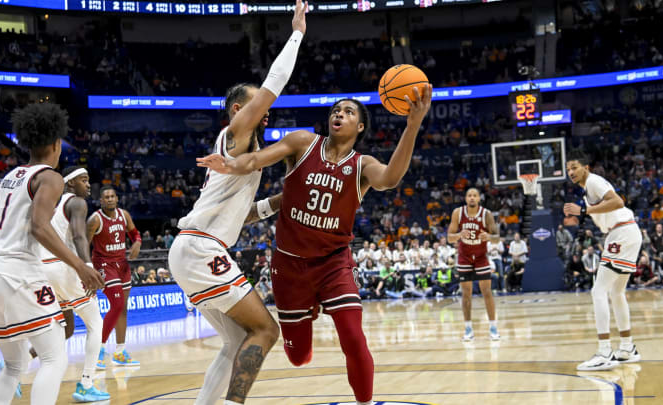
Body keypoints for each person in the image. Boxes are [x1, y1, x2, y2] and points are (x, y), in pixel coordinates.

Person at [198, 79, 433, 404]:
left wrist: (413, 126)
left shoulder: (362, 165)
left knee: (353, 336)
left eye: (348, 111)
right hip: (289, 267)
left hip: (333, 264)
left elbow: (391, 178)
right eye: (336, 109)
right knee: (298, 355)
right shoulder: (303, 142)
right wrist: (230, 164)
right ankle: (307, 312)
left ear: (359, 125)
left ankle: (365, 402)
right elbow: (255, 160)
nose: (340, 113)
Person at [169, 3, 306, 403]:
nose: (265, 111)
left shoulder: (240, 156)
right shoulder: (236, 132)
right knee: (265, 330)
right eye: (255, 105)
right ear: (237, 110)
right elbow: (274, 83)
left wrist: (278, 202)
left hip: (192, 247)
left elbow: (239, 214)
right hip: (199, 249)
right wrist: (296, 33)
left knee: (235, 342)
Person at [0, 103, 103, 405]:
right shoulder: (51, 177)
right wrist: (81, 266)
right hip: (19, 272)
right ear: (57, 144)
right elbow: (39, 228)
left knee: (15, 365)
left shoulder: (11, 177)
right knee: (54, 355)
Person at [35, 166, 110, 402]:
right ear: (70, 184)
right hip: (63, 267)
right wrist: (87, 267)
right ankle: (86, 383)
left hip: (44, 268)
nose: (88, 185)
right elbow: (79, 236)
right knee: (95, 324)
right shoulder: (77, 203)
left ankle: (17, 364)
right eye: (84, 180)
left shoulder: (52, 206)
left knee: (65, 328)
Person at [564, 152, 641, 371]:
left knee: (598, 291)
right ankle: (626, 347)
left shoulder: (594, 182)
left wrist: (585, 210)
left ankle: (604, 351)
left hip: (622, 233)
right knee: (616, 293)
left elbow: (618, 201)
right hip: (626, 232)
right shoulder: (591, 185)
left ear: (585, 167)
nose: (571, 172)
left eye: (575, 167)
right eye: (569, 168)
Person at [87, 185, 142, 368]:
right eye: (106, 197)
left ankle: (120, 351)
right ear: (101, 201)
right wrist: (87, 270)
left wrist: (137, 243)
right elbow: (83, 246)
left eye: (112, 196)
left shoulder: (124, 215)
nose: (110, 199)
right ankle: (99, 350)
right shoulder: (95, 220)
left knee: (123, 308)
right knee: (117, 304)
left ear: (117, 198)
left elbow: (135, 234)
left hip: (122, 264)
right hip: (104, 265)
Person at [447, 188, 501, 341]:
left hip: (481, 257)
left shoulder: (486, 214)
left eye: (474, 195)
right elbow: (450, 238)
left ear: (479, 198)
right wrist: (458, 235)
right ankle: (468, 328)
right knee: (466, 294)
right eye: (469, 195)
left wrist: (489, 237)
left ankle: (493, 327)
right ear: (465, 198)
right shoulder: (458, 213)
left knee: (487, 292)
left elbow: (497, 238)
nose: (472, 198)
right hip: (464, 257)